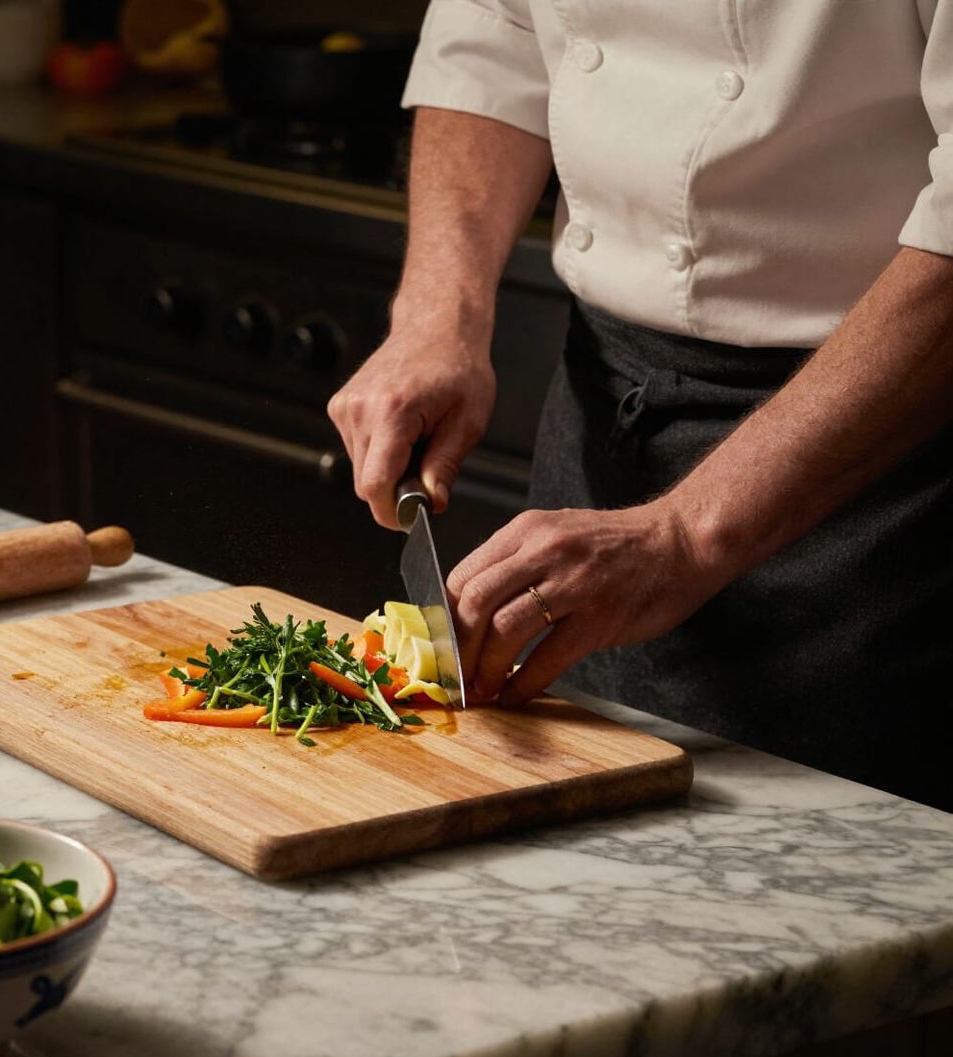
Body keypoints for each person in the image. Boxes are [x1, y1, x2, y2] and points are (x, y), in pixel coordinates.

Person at [329, 1, 953, 806]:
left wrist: (685, 533)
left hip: (882, 455)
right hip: (604, 409)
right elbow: (494, 29)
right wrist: (433, 318)